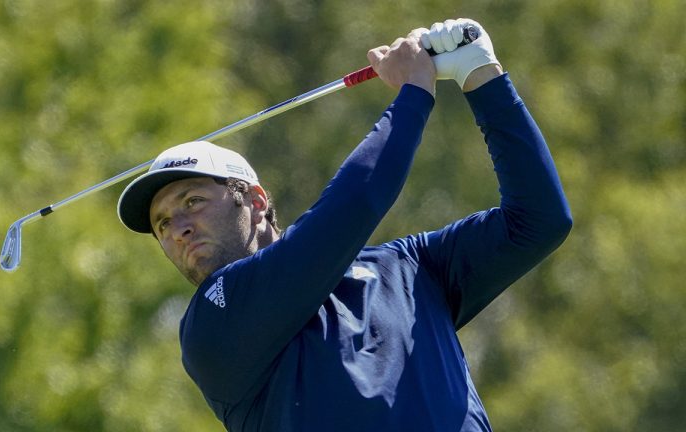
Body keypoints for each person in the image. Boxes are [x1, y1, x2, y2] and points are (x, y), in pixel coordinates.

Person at [117, 18, 572, 432]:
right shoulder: (213, 325)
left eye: (192, 201)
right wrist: (414, 92)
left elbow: (539, 220)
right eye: (162, 224)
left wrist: (481, 75)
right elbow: (355, 204)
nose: (178, 228)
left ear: (255, 201)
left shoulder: (406, 267)